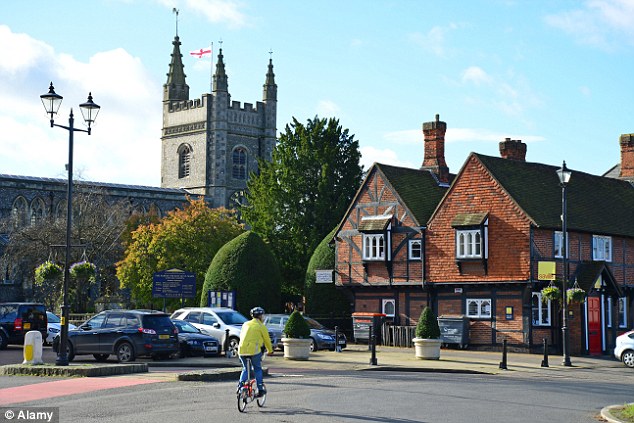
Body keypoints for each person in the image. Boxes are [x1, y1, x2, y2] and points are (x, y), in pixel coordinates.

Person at [237, 306, 274, 396]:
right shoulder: (261, 326)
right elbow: (267, 340)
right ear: (260, 316)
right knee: (257, 369)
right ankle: (260, 389)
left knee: (246, 368)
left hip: (241, 350)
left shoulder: (245, 324)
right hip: (254, 351)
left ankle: (240, 385)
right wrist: (270, 351)